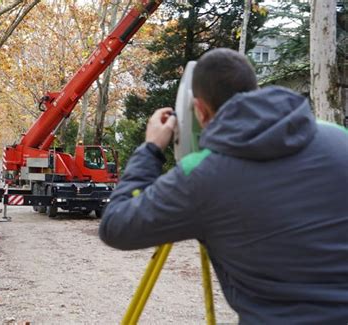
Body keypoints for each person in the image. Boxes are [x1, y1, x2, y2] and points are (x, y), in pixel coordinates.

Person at [99, 48, 348, 323]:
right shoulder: (338, 138)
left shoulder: (203, 175)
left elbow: (116, 225)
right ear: (254, 89)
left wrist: (150, 150)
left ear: (200, 110)